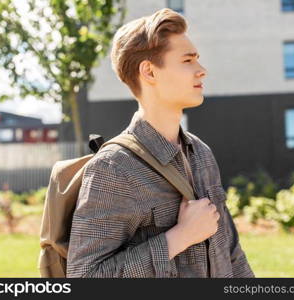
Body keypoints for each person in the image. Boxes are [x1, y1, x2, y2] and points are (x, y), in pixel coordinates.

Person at [66, 8, 254, 278]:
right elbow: (84, 276)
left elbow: (232, 253)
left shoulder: (201, 153)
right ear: (150, 72)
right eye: (188, 60)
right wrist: (178, 238)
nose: (202, 70)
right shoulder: (114, 168)